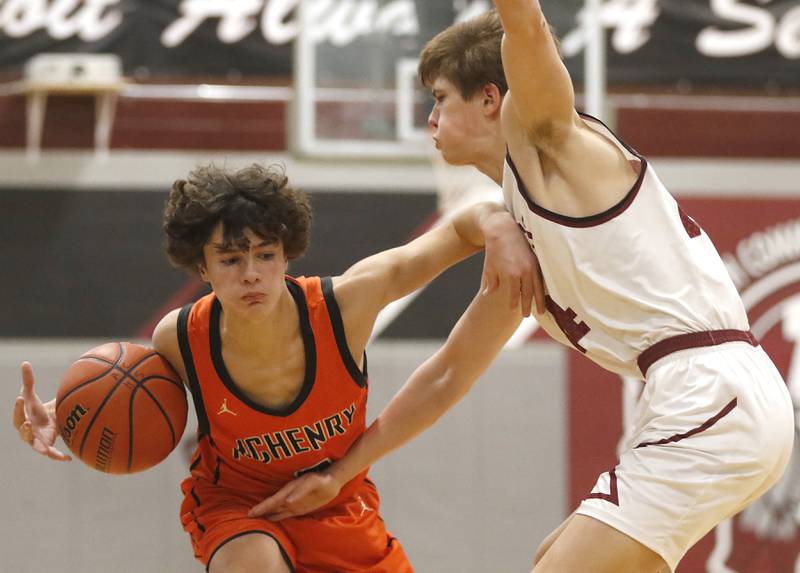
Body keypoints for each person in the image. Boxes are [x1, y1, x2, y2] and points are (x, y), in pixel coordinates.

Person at [247, 4, 796, 573]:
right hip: (705, 401)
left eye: (439, 97)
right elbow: (448, 374)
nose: (429, 118)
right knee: (551, 557)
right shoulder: (523, 224)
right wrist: (342, 471)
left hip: (708, 395)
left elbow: (526, 29)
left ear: (490, 99)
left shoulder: (556, 144)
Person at [12, 162, 544, 573]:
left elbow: (462, 227)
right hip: (237, 507)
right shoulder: (179, 337)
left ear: (287, 254)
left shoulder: (347, 306)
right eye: (231, 259)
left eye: (266, 255)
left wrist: (497, 222)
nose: (251, 275)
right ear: (201, 266)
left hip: (339, 500)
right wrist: (68, 413)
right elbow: (124, 394)